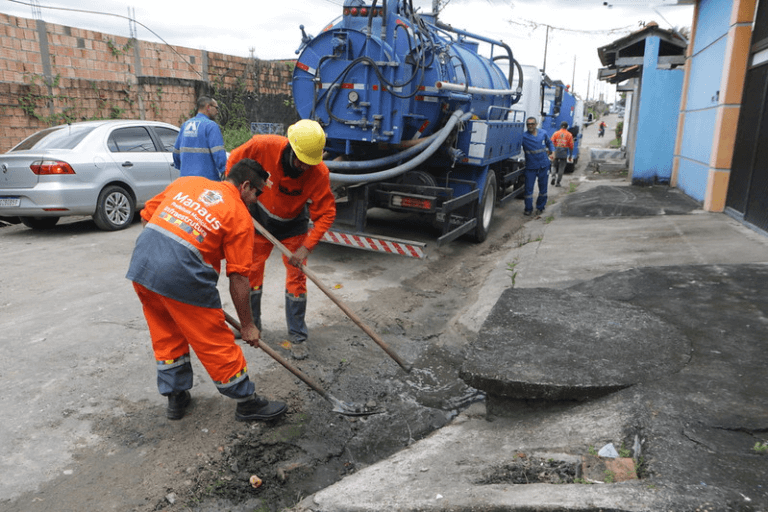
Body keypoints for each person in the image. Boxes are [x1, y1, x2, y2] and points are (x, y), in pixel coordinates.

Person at [126, 158, 288, 422]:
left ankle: (176, 398)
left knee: (166, 331)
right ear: (245, 185)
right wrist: (247, 325)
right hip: (182, 275)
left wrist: (162, 257)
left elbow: (147, 215)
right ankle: (247, 402)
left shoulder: (187, 182)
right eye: (257, 192)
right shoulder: (238, 215)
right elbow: (238, 278)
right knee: (213, 338)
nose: (256, 199)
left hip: (143, 265)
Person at [226, 119, 336, 360]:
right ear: (292, 148)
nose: (304, 168)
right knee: (251, 273)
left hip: (293, 227)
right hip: (259, 220)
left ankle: (298, 336)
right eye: (300, 161)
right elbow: (233, 164)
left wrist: (306, 248)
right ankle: (252, 326)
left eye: (309, 164)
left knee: (297, 281)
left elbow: (326, 213)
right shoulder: (262, 146)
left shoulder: (318, 173)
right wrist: (237, 197)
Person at [173, 96, 227, 181]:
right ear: (208, 107)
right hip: (207, 180)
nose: (217, 111)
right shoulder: (211, 126)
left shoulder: (185, 125)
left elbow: (176, 153)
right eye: (216, 108)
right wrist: (224, 171)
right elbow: (218, 153)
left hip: (185, 180)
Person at [521, 117, 554, 217]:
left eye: (532, 124)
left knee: (543, 189)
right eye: (528, 124)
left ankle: (540, 207)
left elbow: (550, 143)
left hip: (544, 165)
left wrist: (552, 151)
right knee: (528, 189)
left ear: (536, 124)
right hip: (531, 167)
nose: (530, 126)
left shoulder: (543, 133)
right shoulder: (523, 136)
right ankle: (528, 208)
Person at [550, 121, 574, 188]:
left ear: (560, 126)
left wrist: (551, 153)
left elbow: (551, 143)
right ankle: (558, 182)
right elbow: (571, 146)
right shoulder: (569, 135)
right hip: (564, 152)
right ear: (567, 127)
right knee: (561, 167)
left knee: (554, 165)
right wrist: (570, 156)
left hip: (556, 151)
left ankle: (553, 176)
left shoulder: (556, 133)